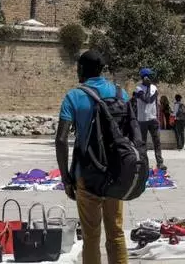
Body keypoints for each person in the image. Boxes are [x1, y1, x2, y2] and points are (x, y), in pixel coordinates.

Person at [55, 50, 130, 264]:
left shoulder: (74, 97)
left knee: (90, 237)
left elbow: (61, 139)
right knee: (116, 233)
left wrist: (66, 178)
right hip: (115, 174)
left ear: (81, 69)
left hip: (86, 175)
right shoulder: (120, 94)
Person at [134, 68, 166, 171]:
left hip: (153, 119)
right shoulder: (138, 89)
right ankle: (144, 164)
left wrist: (157, 117)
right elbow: (147, 100)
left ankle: (160, 163)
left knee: (157, 141)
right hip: (142, 120)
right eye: (150, 76)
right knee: (143, 143)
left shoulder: (154, 87)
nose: (152, 78)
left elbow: (154, 102)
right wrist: (148, 89)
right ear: (145, 77)